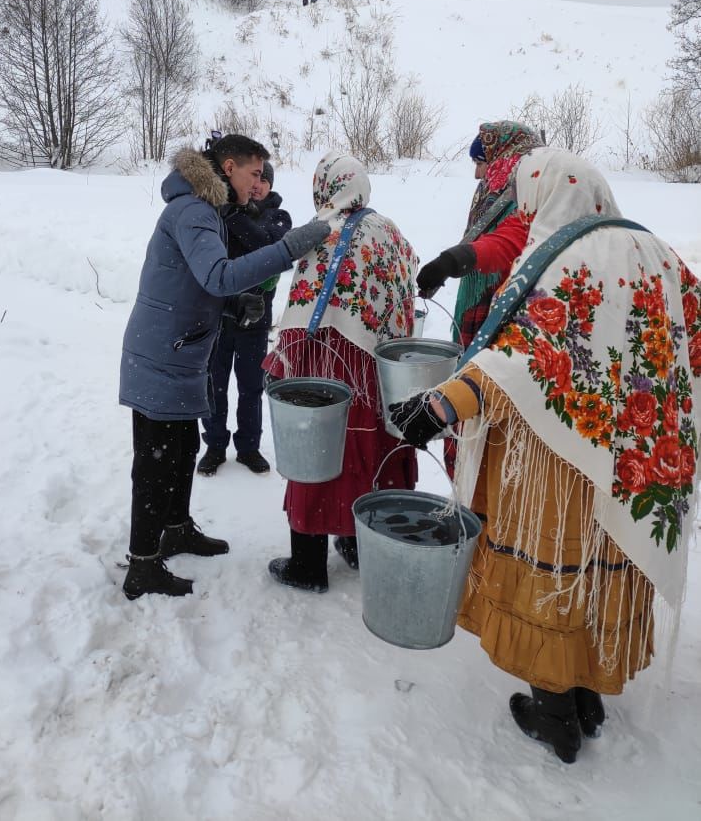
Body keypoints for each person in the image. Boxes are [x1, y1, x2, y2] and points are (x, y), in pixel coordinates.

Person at [390, 149, 701, 764]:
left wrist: (440, 406)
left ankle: (554, 714)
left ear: (544, 199)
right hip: (632, 464)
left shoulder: (561, 260)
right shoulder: (660, 255)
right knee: (601, 565)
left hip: (556, 464)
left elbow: (522, 362)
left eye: (527, 204)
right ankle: (586, 692)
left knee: (551, 570)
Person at [118, 134, 330, 599]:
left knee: (182, 447)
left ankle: (175, 528)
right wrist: (290, 247)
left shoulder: (203, 208)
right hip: (162, 354)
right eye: (255, 173)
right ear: (229, 166)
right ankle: (143, 565)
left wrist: (235, 307)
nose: (259, 184)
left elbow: (201, 283)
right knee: (156, 460)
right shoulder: (195, 211)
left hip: (179, 349)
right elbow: (217, 275)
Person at [263, 150, 419, 592]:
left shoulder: (324, 232)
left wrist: (283, 363)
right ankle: (357, 544)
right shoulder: (389, 231)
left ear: (326, 187)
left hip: (328, 366)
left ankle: (307, 565)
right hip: (382, 370)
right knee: (370, 449)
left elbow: (302, 309)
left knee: (320, 449)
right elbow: (406, 284)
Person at [431, 121, 543, 476]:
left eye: (482, 162)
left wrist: (461, 258)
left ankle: (482, 477)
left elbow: (511, 241)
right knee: (472, 378)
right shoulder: (495, 191)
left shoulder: (527, 194)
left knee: (490, 387)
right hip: (478, 292)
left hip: (507, 303)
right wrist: (456, 261)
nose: (479, 172)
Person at [198, 159, 293, 476]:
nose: (256, 185)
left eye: (262, 180)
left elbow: (265, 245)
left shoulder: (279, 217)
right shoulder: (222, 216)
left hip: (255, 321)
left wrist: (234, 213)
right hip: (220, 317)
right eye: (252, 179)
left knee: (251, 387)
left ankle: (248, 448)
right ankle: (214, 445)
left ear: (270, 185)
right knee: (215, 385)